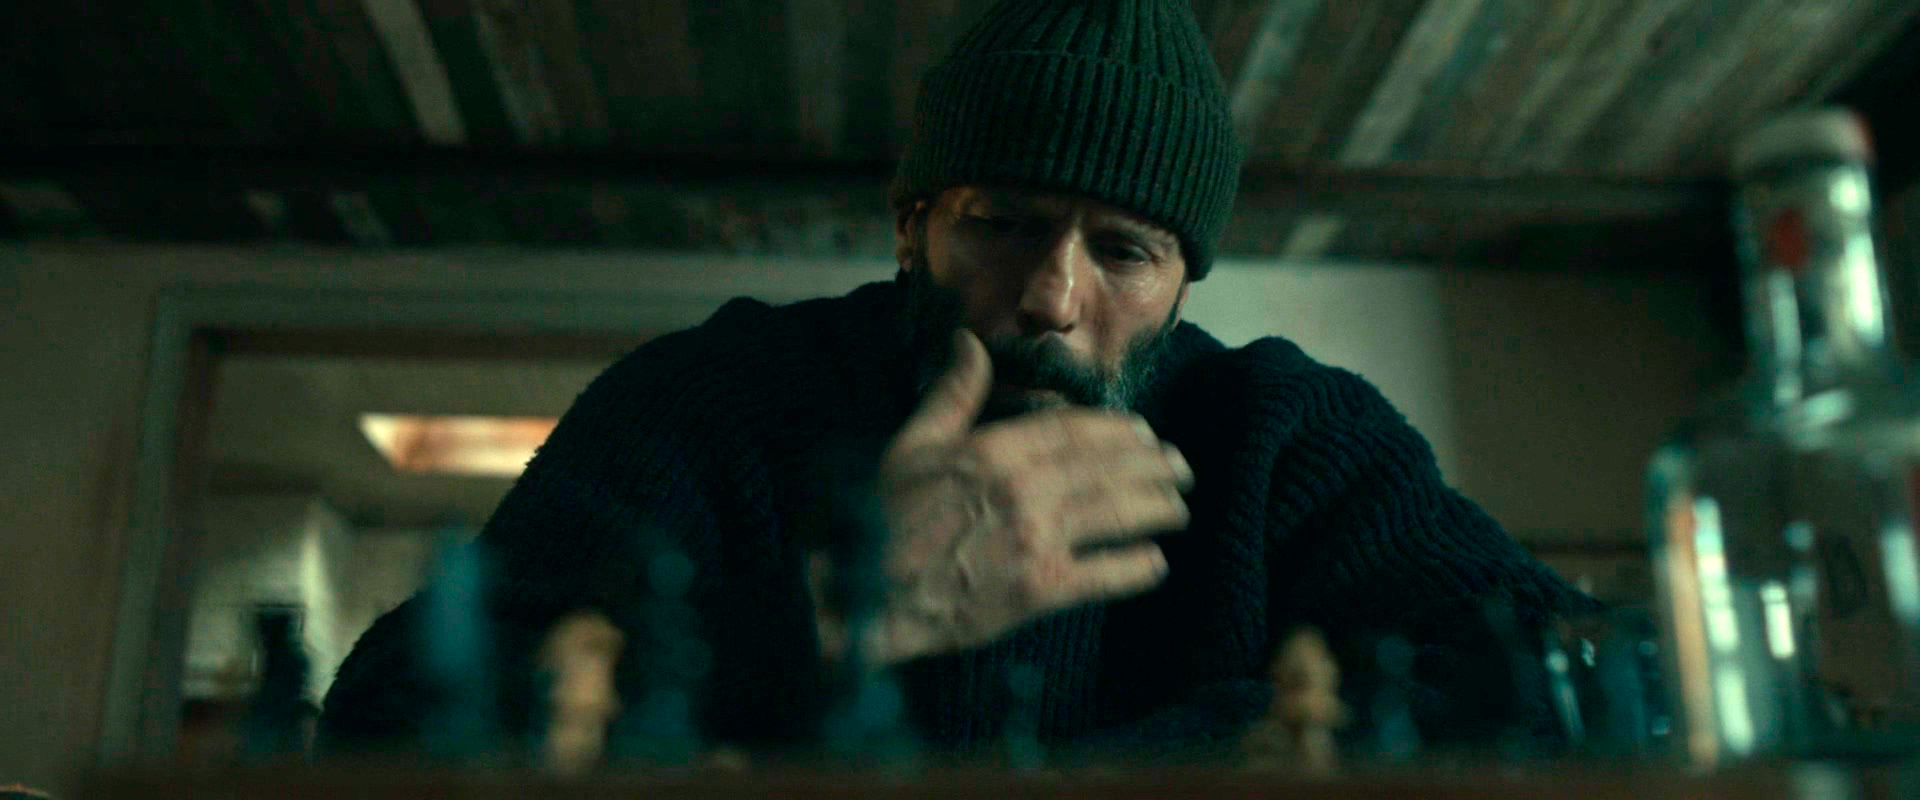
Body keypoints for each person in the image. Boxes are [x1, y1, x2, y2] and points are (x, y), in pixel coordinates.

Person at [318, 0, 1596, 764]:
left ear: (1183, 286)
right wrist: (831, 610)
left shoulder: (1288, 436)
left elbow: (1587, 687)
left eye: (1123, 250)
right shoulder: (710, 401)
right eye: (1003, 223)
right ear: (911, 227)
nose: (1052, 296)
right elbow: (378, 715)